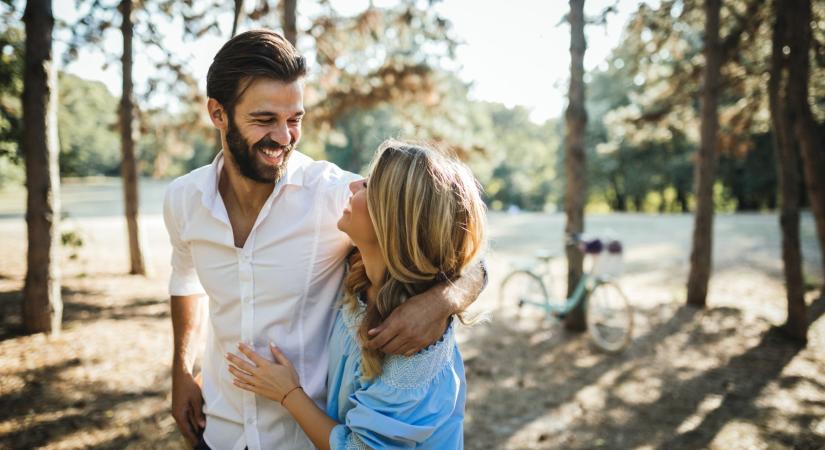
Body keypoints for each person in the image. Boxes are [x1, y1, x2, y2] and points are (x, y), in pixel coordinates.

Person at [163, 30, 487, 450]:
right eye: (264, 120)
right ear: (218, 113)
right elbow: (184, 279)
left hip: (306, 437)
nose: (283, 137)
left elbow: (456, 247)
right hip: (219, 429)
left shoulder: (336, 195)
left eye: (294, 119)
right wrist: (181, 369)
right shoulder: (183, 200)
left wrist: (440, 302)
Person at [225, 140, 486, 449]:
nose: (352, 187)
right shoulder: (359, 270)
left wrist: (288, 394)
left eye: (369, 186)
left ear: (393, 221)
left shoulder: (411, 348)